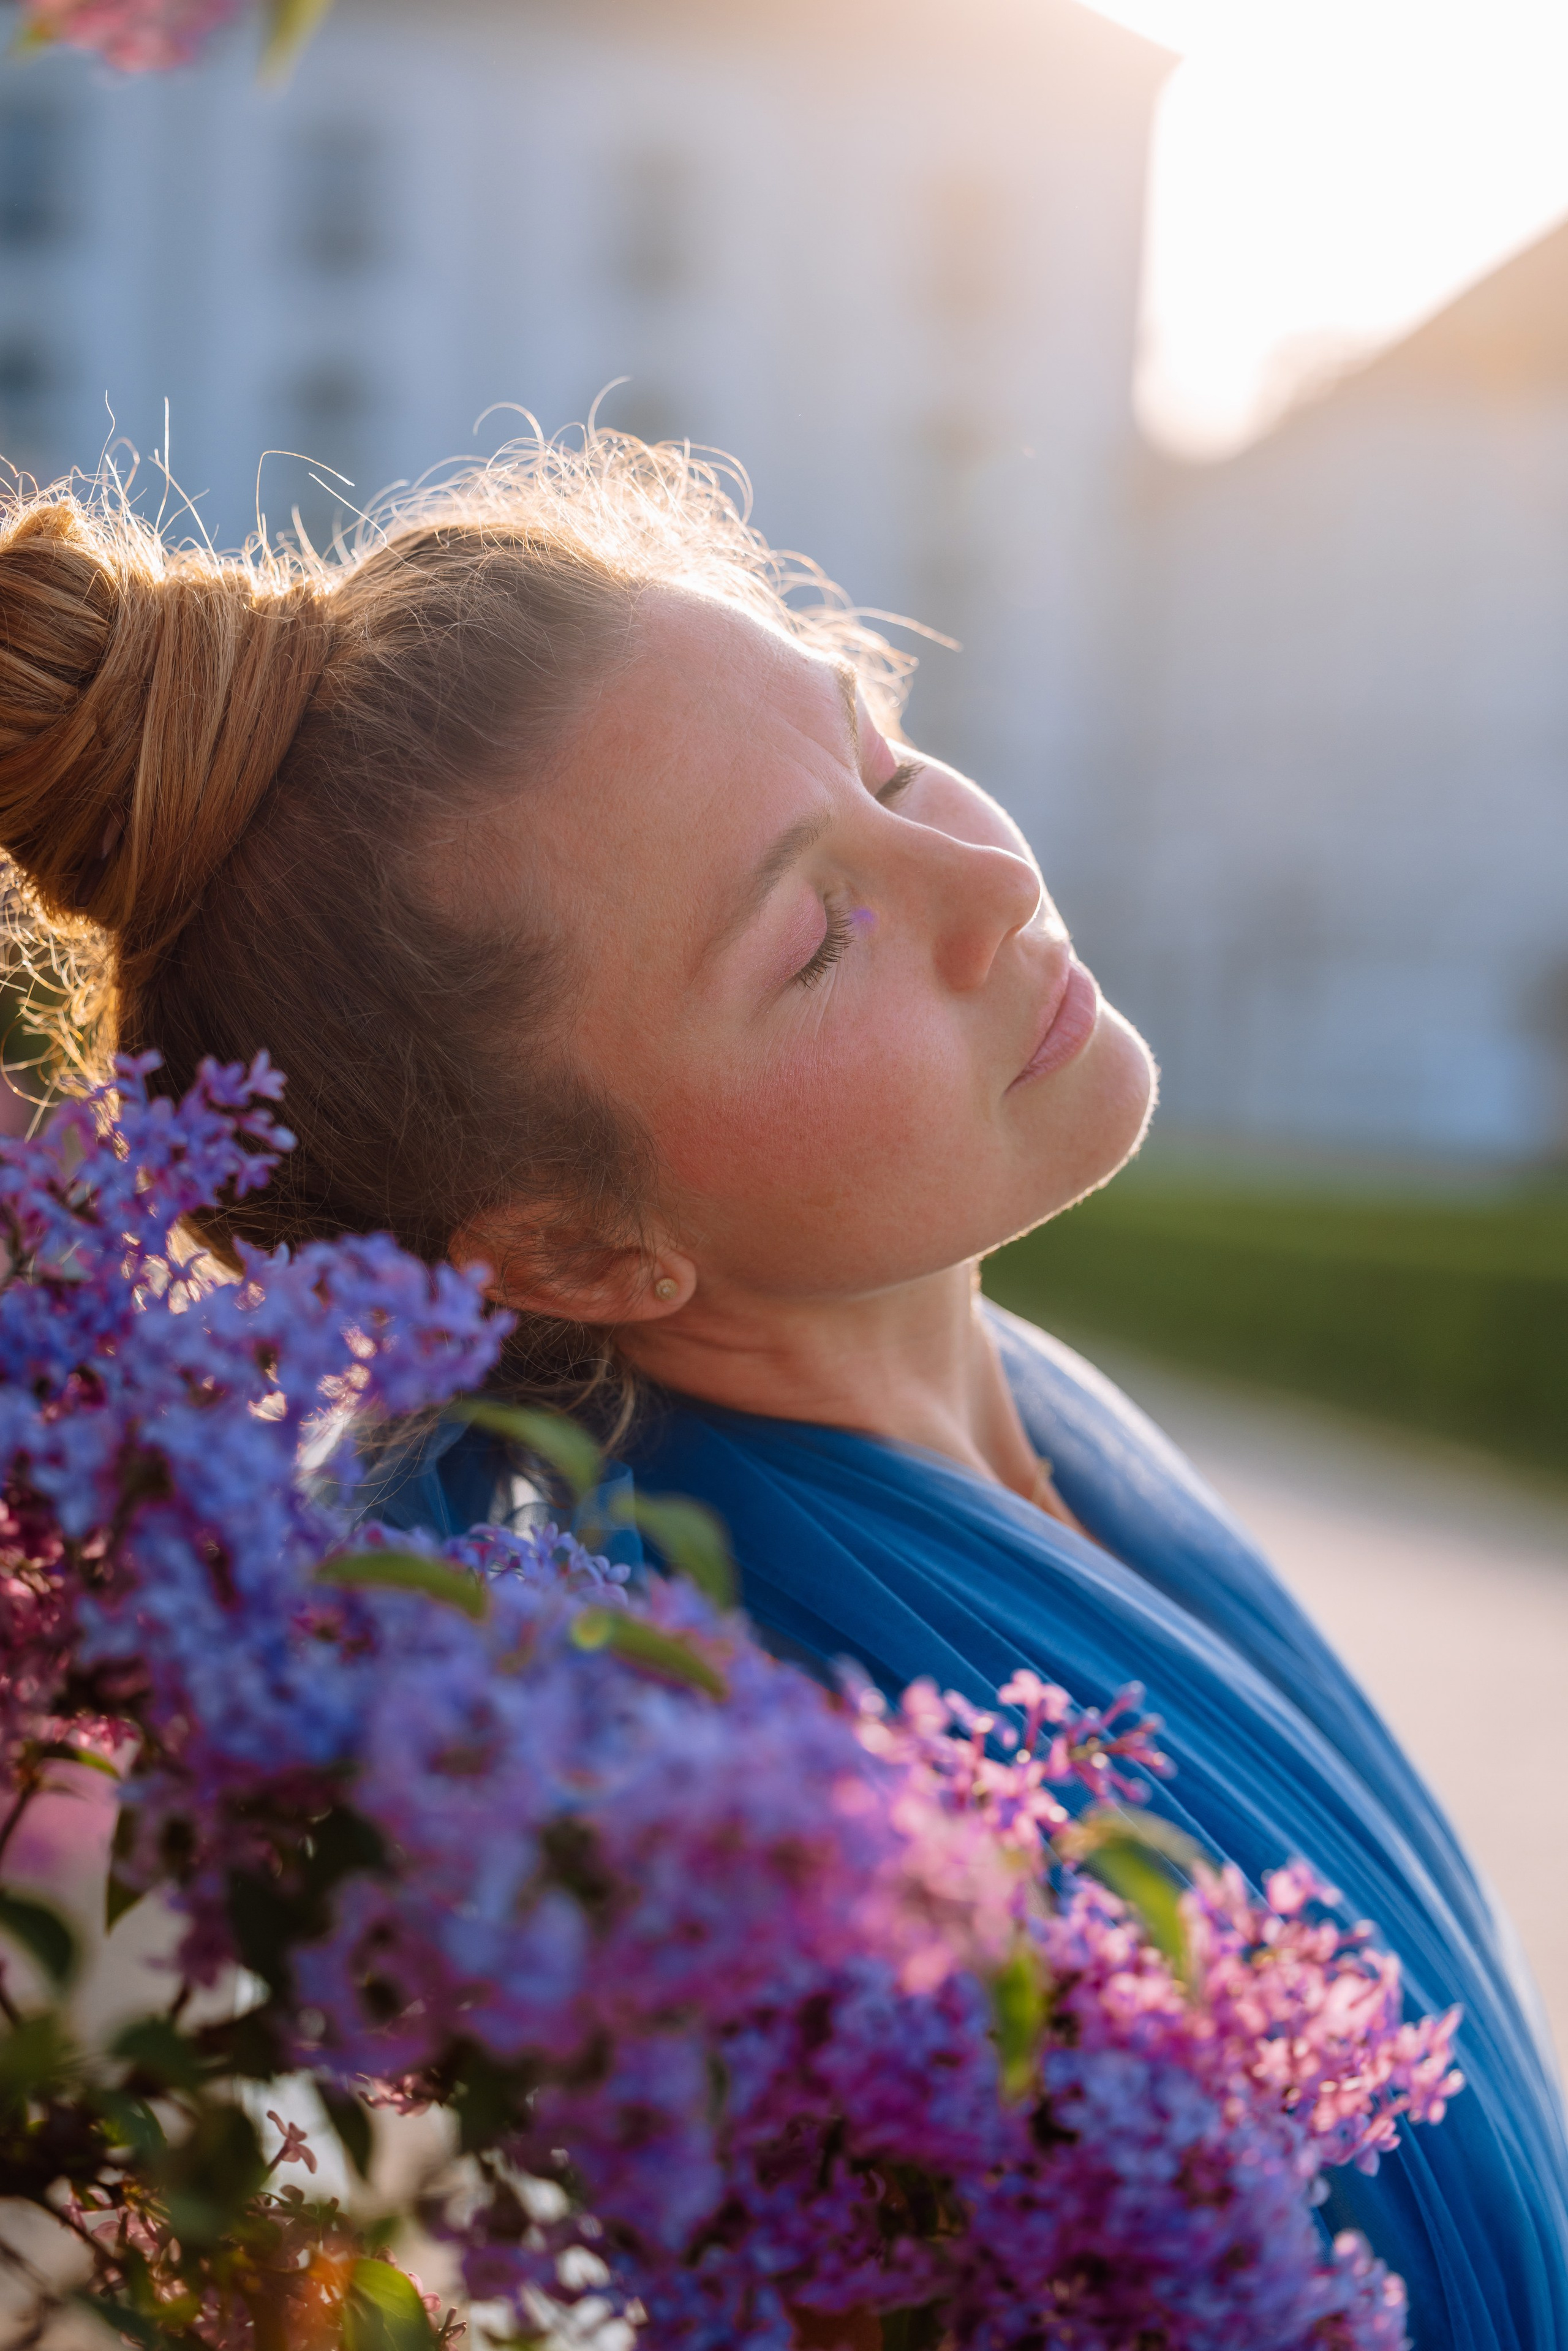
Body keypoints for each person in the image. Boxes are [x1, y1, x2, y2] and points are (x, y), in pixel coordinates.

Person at [1, 439, 1564, 2349]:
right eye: (815, 935)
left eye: (888, 753)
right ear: (572, 1251)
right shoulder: (713, 1803)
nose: (986, 875)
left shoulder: (1053, 1417)